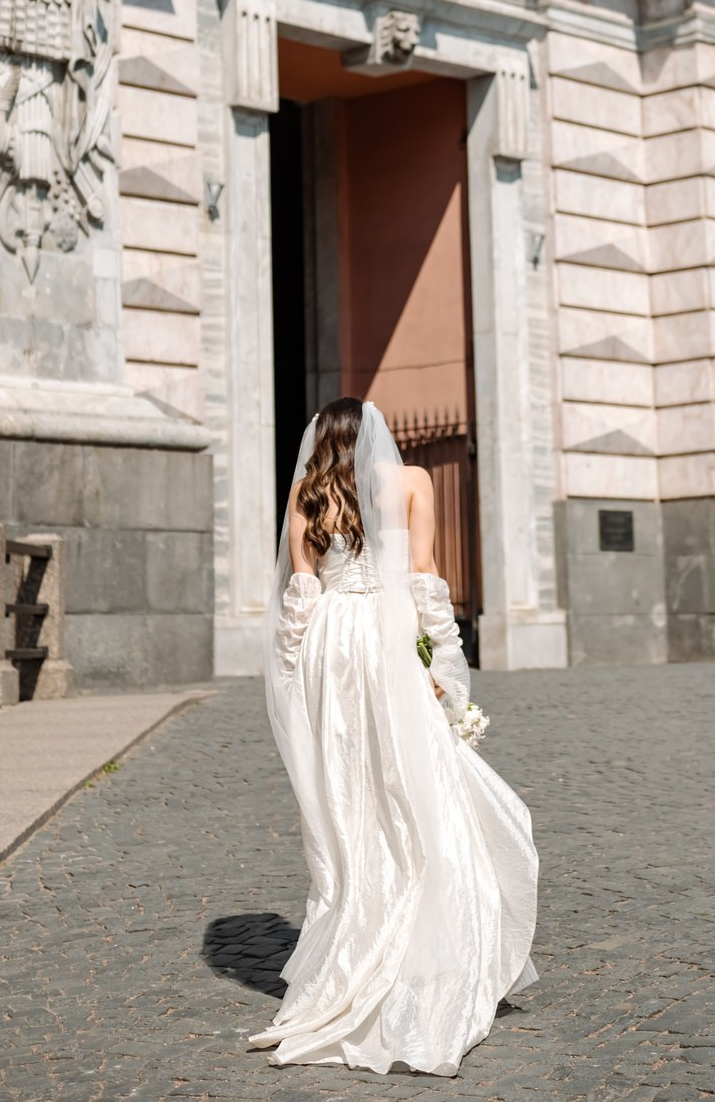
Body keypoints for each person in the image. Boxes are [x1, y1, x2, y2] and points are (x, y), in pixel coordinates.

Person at [251, 396, 538, 1075]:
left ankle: (361, 924)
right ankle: (423, 934)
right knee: (413, 778)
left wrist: (289, 677)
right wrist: (445, 663)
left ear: (322, 439)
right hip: (385, 638)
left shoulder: (307, 492)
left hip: (331, 645)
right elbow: (426, 575)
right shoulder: (413, 481)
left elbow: (302, 592)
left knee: (347, 789)